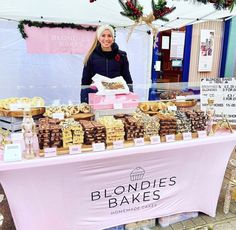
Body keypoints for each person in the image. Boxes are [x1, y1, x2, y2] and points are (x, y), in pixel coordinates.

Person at [81, 25, 133, 103]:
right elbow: (85, 82)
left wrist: (130, 98)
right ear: (99, 38)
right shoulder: (91, 56)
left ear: (113, 38)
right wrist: (84, 103)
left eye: (109, 36)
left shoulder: (122, 55)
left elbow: (127, 78)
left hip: (118, 99)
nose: (106, 39)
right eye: (103, 35)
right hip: (98, 99)